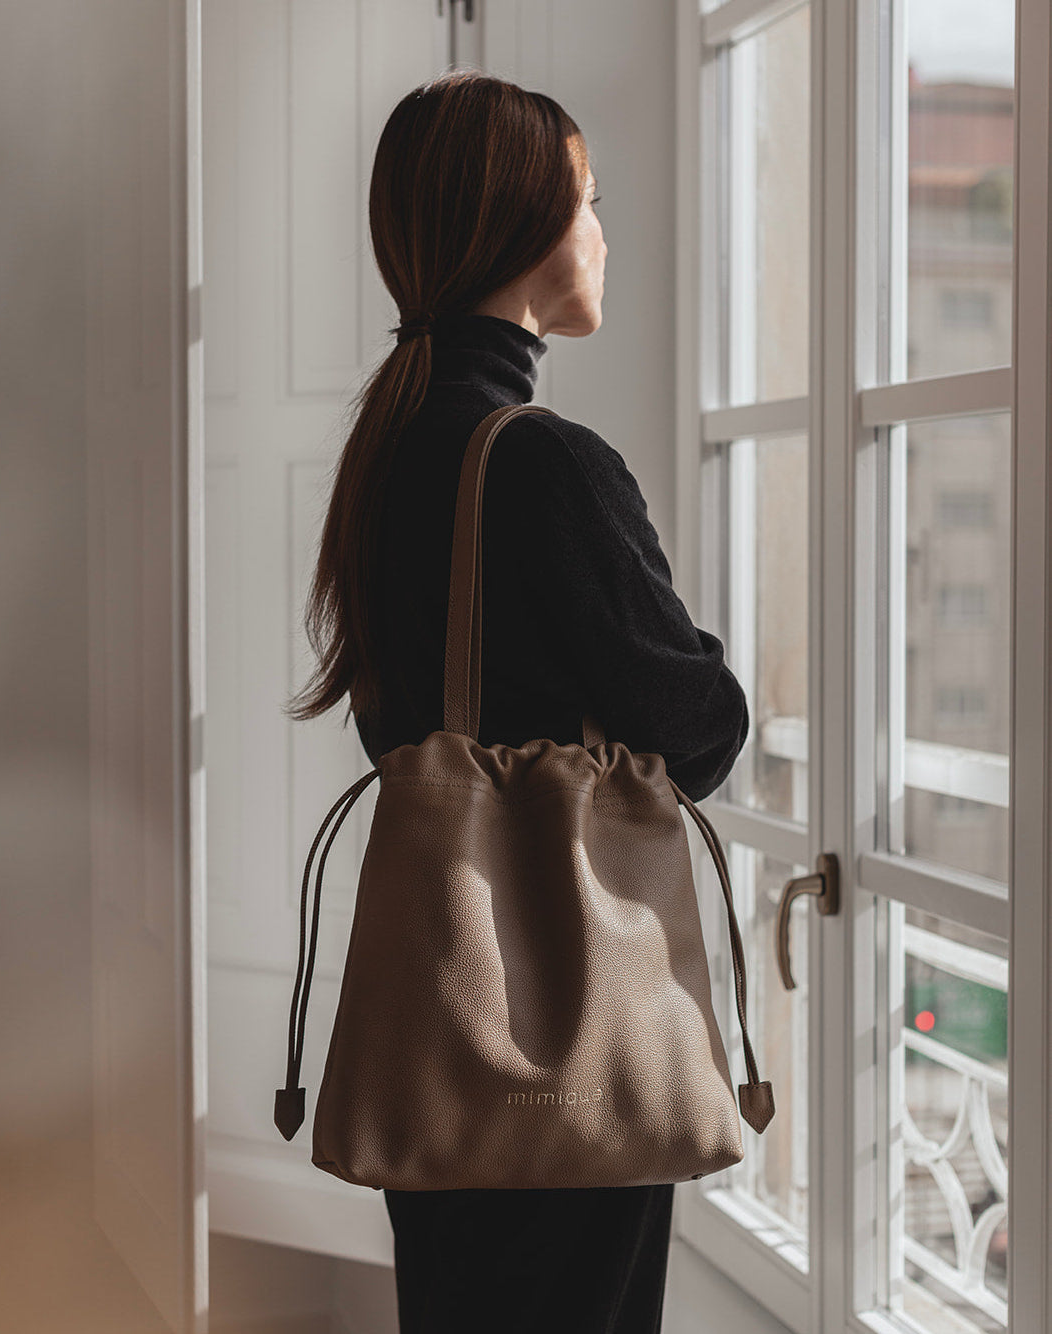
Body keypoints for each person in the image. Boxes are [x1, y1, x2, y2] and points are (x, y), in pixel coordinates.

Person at [285, 69, 749, 1334]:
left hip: (447, 999)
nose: (603, 229)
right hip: (566, 1029)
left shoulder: (390, 446)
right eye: (589, 199)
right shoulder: (542, 459)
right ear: (527, 221)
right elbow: (700, 726)